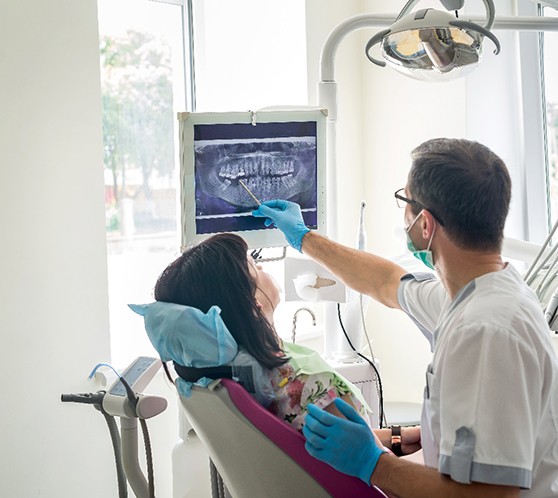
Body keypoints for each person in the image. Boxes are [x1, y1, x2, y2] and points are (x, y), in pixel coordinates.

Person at [252, 138, 558, 497]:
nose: (404, 214)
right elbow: (384, 282)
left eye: (406, 201)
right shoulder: (478, 292)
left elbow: (490, 494)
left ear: (425, 224)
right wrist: (304, 238)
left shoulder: (484, 330)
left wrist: (374, 463)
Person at [134, 232, 421, 454]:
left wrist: (397, 437)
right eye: (254, 268)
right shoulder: (311, 385)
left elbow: (329, 441)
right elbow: (373, 468)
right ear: (255, 305)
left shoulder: (225, 380)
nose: (260, 265)